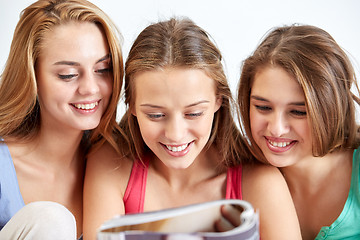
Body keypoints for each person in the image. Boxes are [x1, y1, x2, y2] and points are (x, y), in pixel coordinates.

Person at [84, 17, 302, 240]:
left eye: (194, 113)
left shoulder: (261, 183)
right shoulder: (109, 163)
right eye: (156, 115)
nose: (176, 134)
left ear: (219, 100)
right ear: (131, 105)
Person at [0, 0, 123, 239]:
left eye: (103, 69)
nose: (90, 88)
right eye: (68, 75)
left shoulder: (117, 161)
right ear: (31, 77)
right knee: (50, 220)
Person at [237, 24, 360, 240]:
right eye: (263, 107)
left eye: (298, 111)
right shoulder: (237, 176)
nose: (276, 128)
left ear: (331, 108)